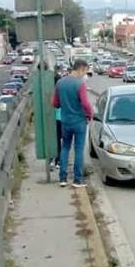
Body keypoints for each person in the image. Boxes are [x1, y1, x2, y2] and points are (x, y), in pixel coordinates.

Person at [54, 59, 93, 187]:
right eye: (85, 71)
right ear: (81, 69)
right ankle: (77, 179)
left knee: (65, 148)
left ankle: (63, 178)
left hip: (65, 121)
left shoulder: (60, 82)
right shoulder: (79, 84)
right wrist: (90, 114)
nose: (84, 74)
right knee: (78, 150)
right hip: (79, 121)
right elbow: (85, 103)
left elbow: (55, 103)